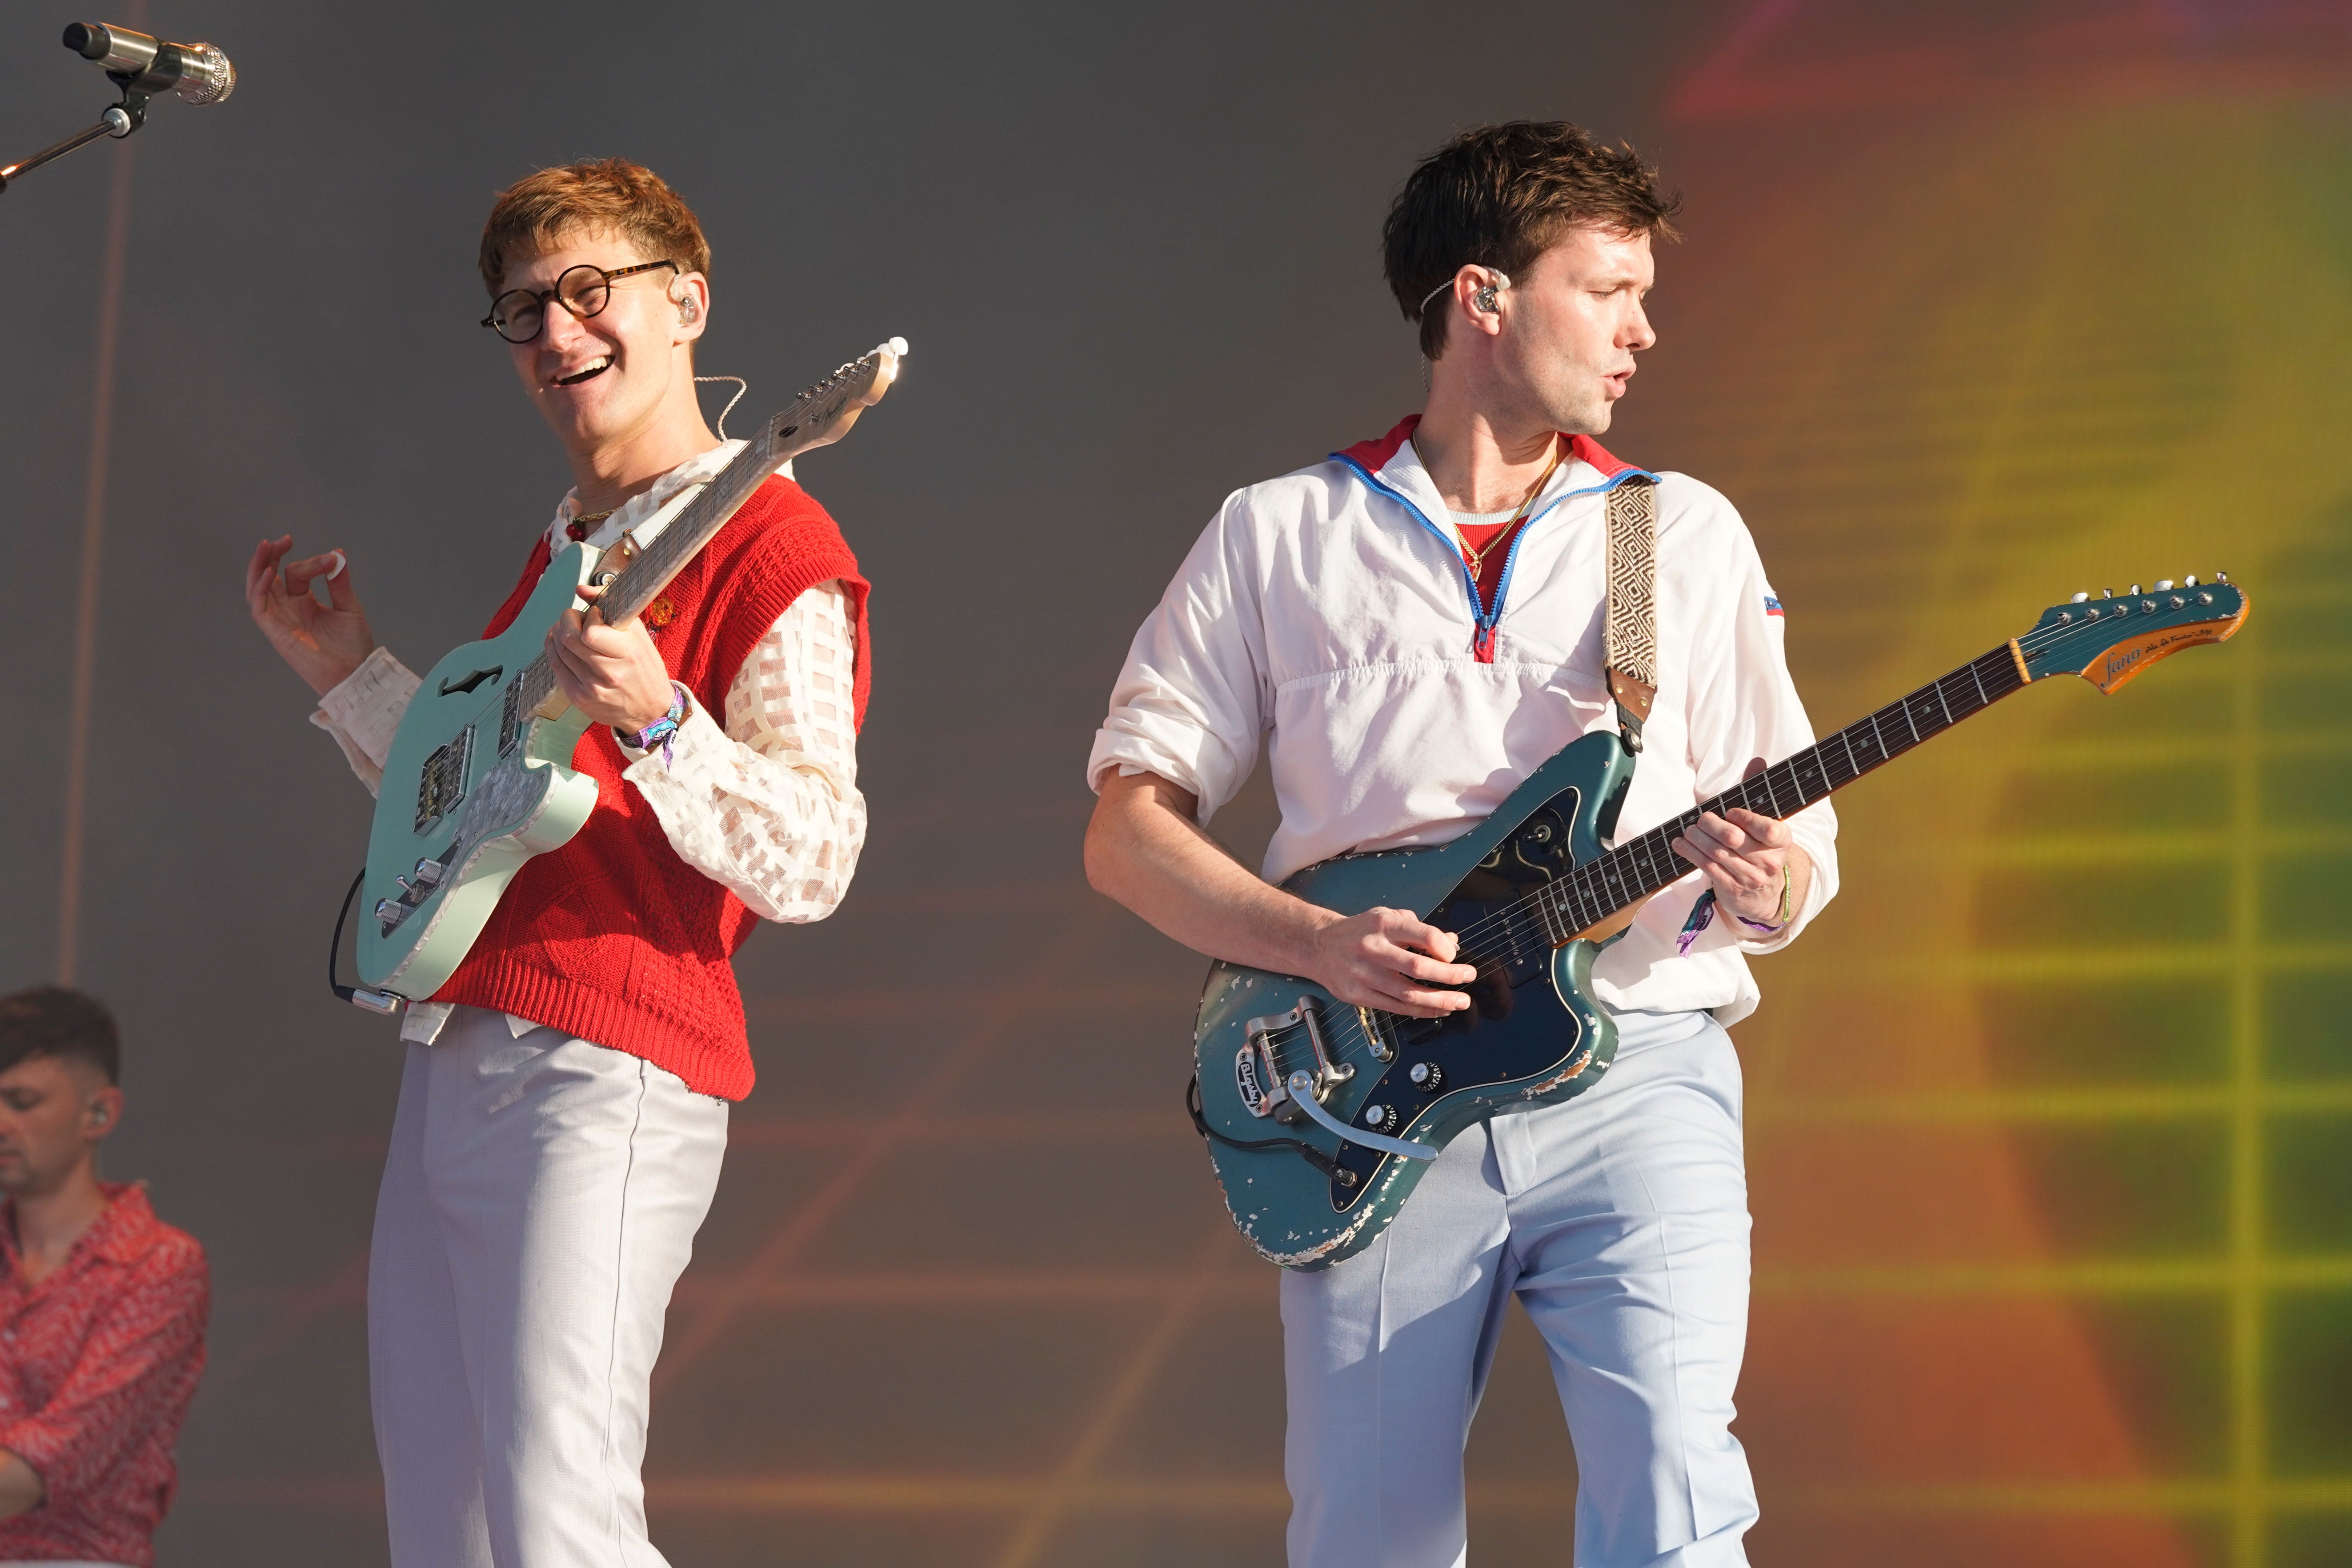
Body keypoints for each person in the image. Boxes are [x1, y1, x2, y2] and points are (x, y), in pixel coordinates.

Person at [1084, 121, 1839, 1567]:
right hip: (1372, 1097)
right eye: (1607, 286)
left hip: (1643, 1061)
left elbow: (1796, 824)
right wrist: (1313, 941)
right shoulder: (1273, 532)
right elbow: (1126, 836)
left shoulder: (1670, 531)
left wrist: (1776, 882)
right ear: (1482, 298)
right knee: (1369, 1529)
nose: (1643, 325)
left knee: (1680, 1480)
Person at [242, 159, 871, 1567]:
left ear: (688, 303)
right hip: (459, 1047)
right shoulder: (571, 547)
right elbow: (487, 803)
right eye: (522, 310)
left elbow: (817, 851)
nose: (555, 332)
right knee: (448, 1533)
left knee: (558, 1525)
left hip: (608, 1061)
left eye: (590, 291)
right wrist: (344, 671)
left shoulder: (776, 536)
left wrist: (659, 715)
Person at [0, 986, 208, 1568]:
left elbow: (58, 1458)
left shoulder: (159, 1263)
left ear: (101, 1112)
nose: (1, 1122)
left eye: (22, 1101)